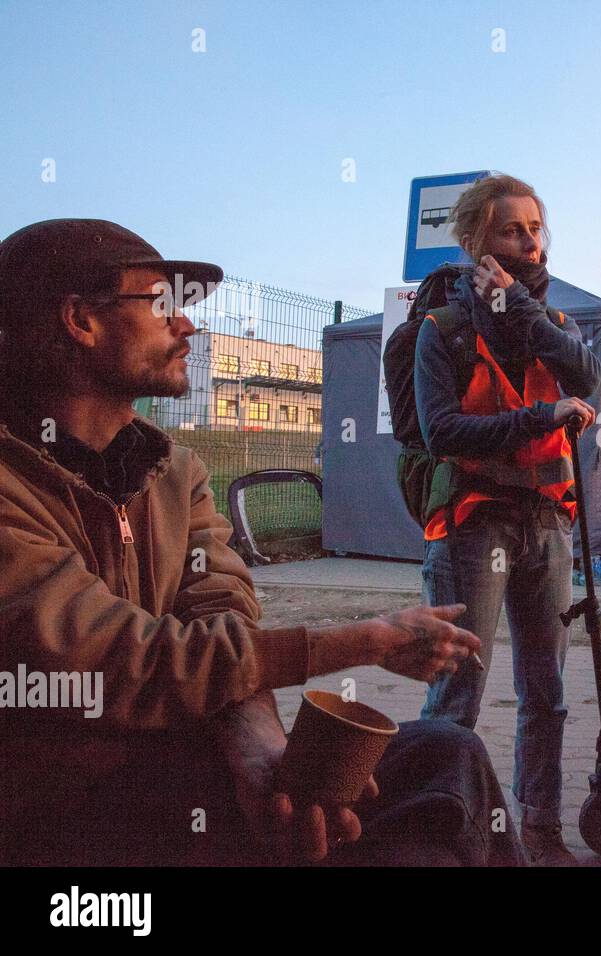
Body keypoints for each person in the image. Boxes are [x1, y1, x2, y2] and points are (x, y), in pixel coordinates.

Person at [0, 218, 523, 866]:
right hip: (71, 814)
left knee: (449, 758)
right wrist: (364, 640)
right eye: (162, 304)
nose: (187, 326)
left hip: (191, 766)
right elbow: (122, 659)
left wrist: (262, 750)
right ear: (79, 320)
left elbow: (221, 616)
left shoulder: (172, 475)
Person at [414, 175, 601, 864]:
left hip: (549, 523)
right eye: (510, 231)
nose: (529, 242)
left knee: (547, 694)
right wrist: (537, 418)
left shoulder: (556, 325)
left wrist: (518, 306)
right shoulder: (443, 330)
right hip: (475, 526)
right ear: (475, 242)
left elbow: (586, 376)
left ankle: (542, 827)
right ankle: (439, 834)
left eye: (535, 229)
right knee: (457, 693)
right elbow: (442, 432)